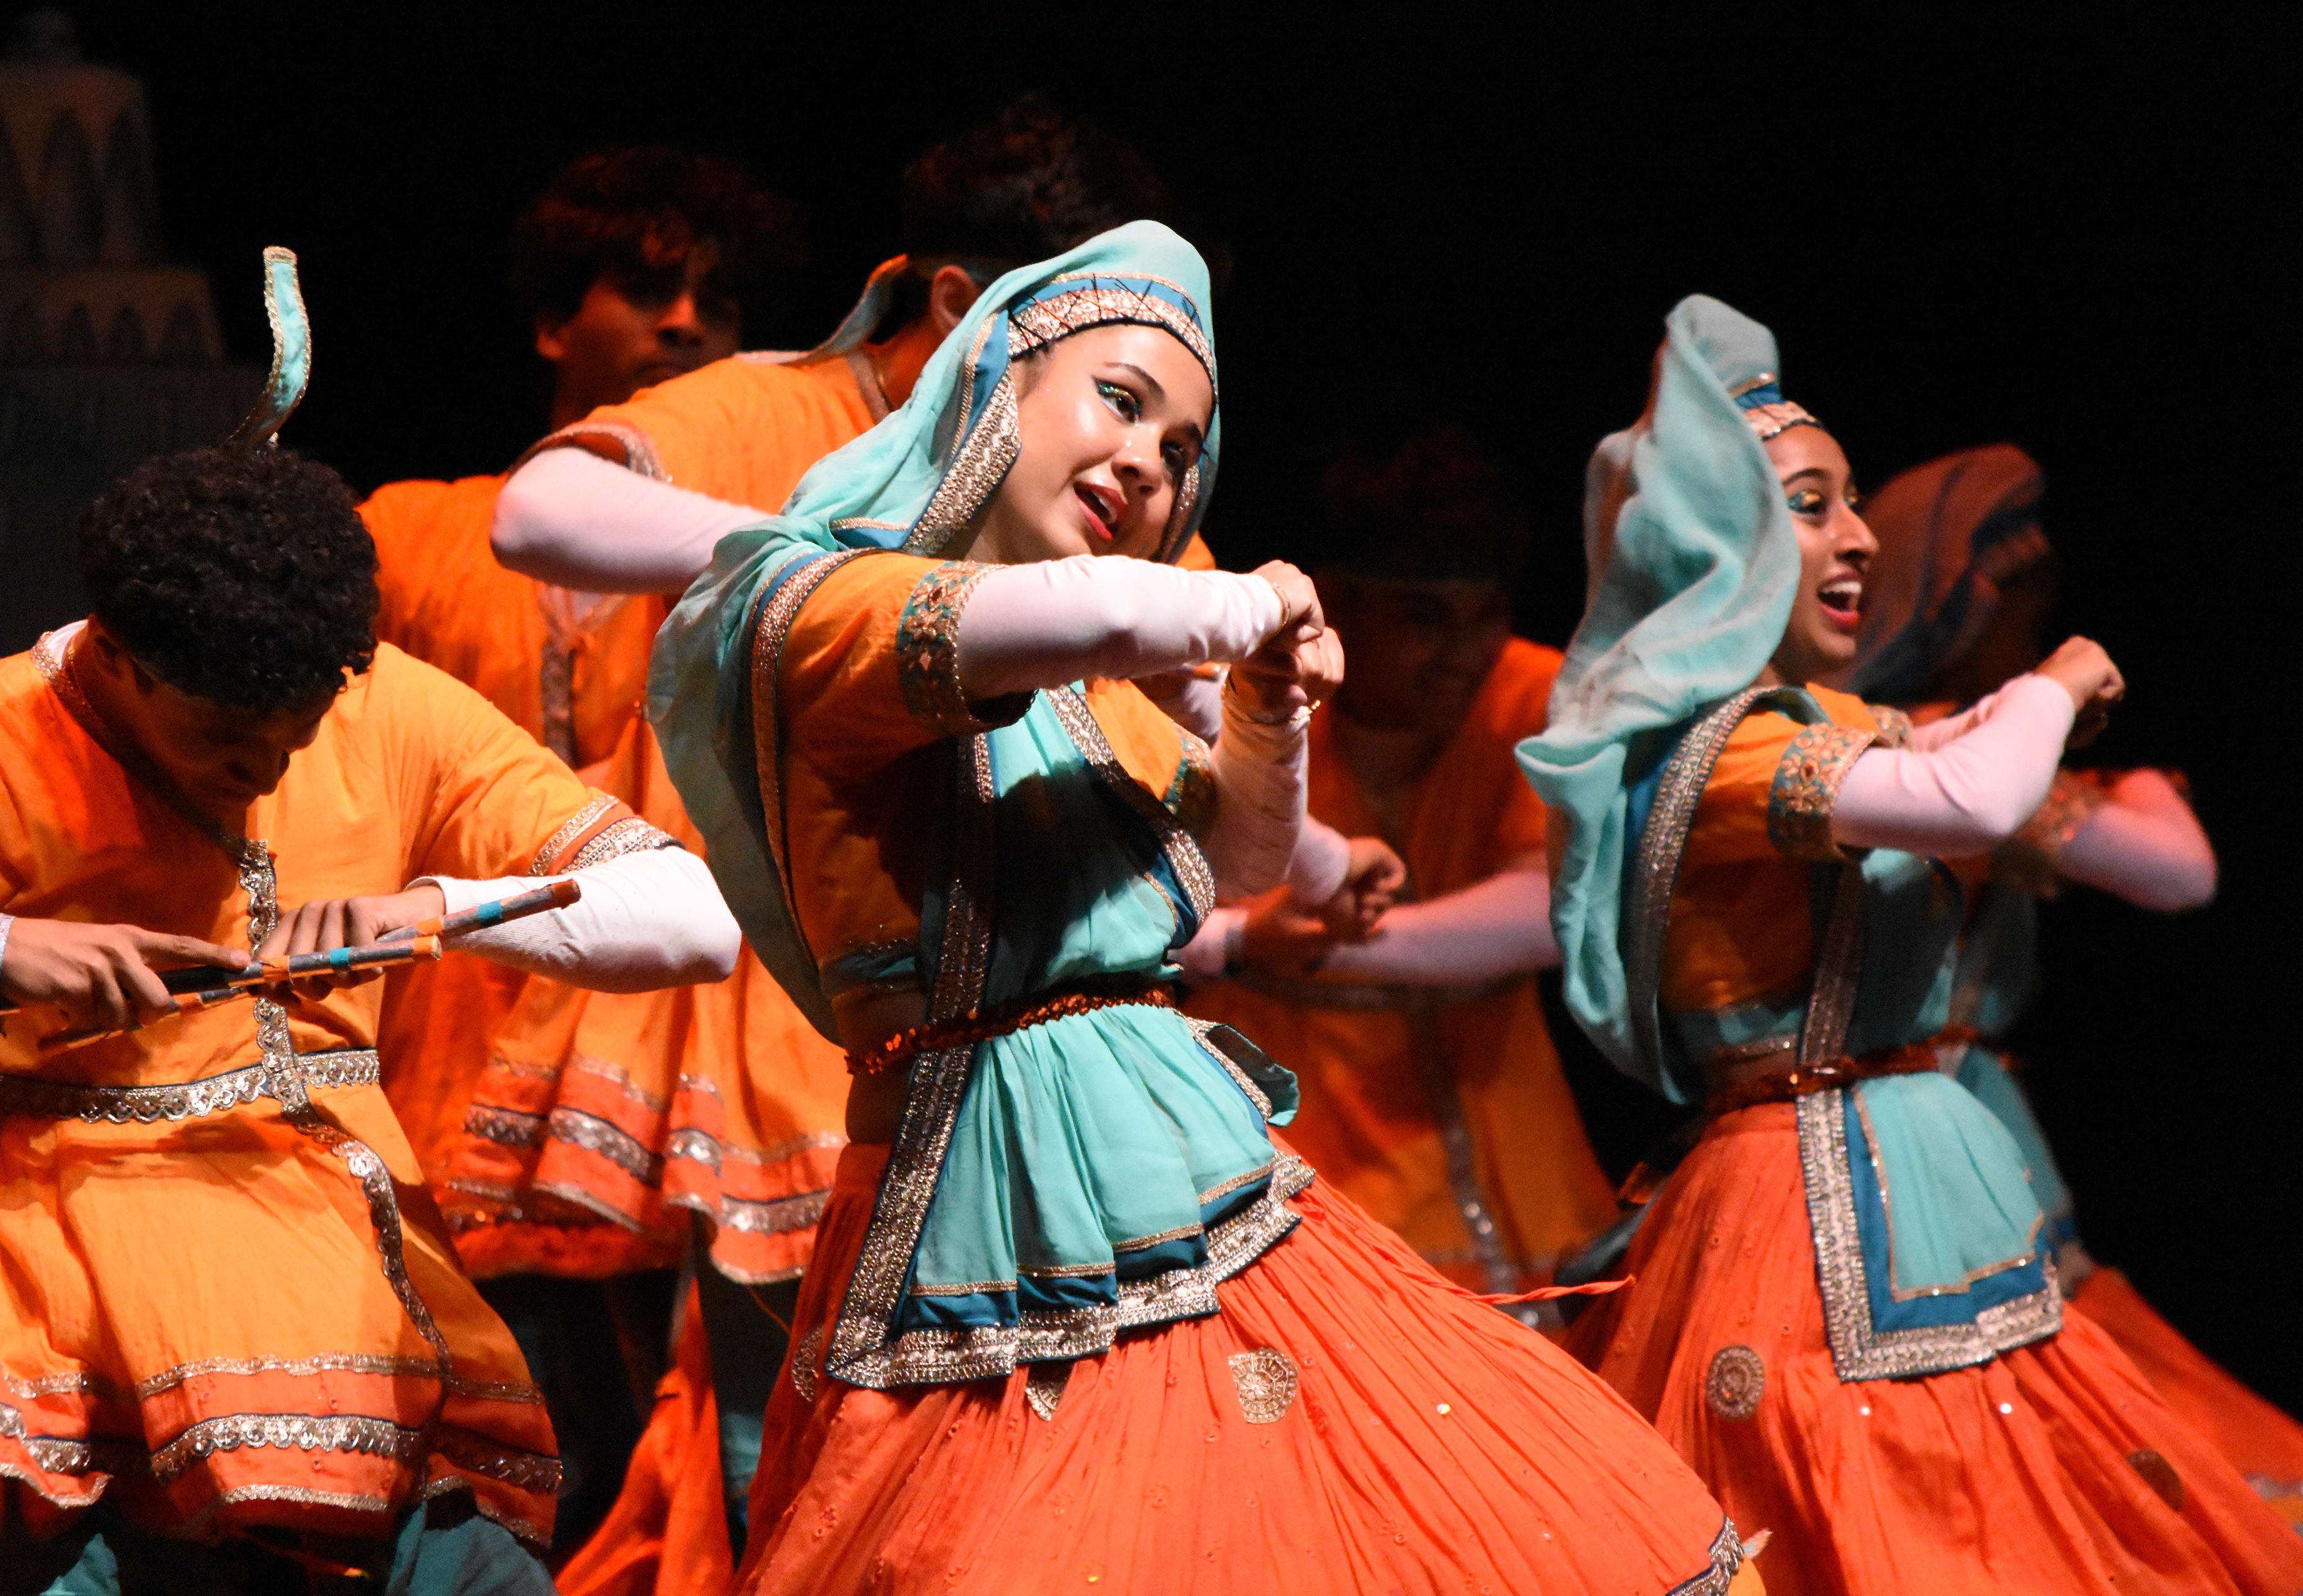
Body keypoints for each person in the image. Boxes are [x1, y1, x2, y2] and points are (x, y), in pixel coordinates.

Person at [645, 220, 1759, 1595]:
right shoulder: (824, 602)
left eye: (1180, 448)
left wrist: (1270, 714)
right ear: (994, 381)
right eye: (1118, 402)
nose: (1147, 462)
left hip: (1202, 1180)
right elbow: (1097, 613)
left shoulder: (1092, 680)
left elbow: (1237, 857)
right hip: (984, 1203)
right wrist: (1244, 608)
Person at [497, 102, 1248, 1589]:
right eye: (1100, 371)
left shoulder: (1115, 493)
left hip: (1055, 1067)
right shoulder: (780, 417)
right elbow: (542, 506)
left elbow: (1196, 725)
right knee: (809, 1475)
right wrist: (838, 567)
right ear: (973, 307)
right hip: (804, 1008)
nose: (1130, 439)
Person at [1516, 294, 2303, 1593]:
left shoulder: (1824, 722)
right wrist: (2054, 683)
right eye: (1812, 505)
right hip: (1794, 1202)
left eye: (1854, 502)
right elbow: (1971, 799)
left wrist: (2012, 712)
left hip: (1912, 1164)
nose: (1861, 535)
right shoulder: (1723, 752)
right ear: (1718, 540)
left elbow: (1970, 765)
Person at [0, 442, 739, 1594]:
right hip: (61, 1301)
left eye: (293, 737)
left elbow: (695, 919)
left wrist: (436, 909)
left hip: (348, 1289)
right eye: (225, 741)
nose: (264, 774)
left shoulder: (385, 703)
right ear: (122, 660)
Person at [357, 147, 810, 1555]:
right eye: (649, 289)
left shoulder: (742, 561)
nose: (688, 324)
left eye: (717, 302)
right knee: (477, 1480)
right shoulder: (414, 533)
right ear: (556, 321)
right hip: (440, 1074)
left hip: (668, 1096)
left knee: (677, 1482)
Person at [1842, 442, 2303, 1524]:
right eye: (2019, 607)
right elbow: (2179, 867)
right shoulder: (1936, 759)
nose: (2031, 635)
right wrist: (2087, 752)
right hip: (1907, 1123)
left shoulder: (1947, 751)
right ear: (1956, 605)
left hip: (1941, 1120)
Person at [1178, 423, 1618, 1302]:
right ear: (1337, 607)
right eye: (1426, 616)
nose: (1465, 650)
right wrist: (1245, 940)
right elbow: (1138, 916)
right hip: (1311, 1156)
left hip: (1524, 1162)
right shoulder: (1248, 708)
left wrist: (1324, 942)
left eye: (1485, 614)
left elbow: (1549, 907)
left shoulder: (1532, 694)